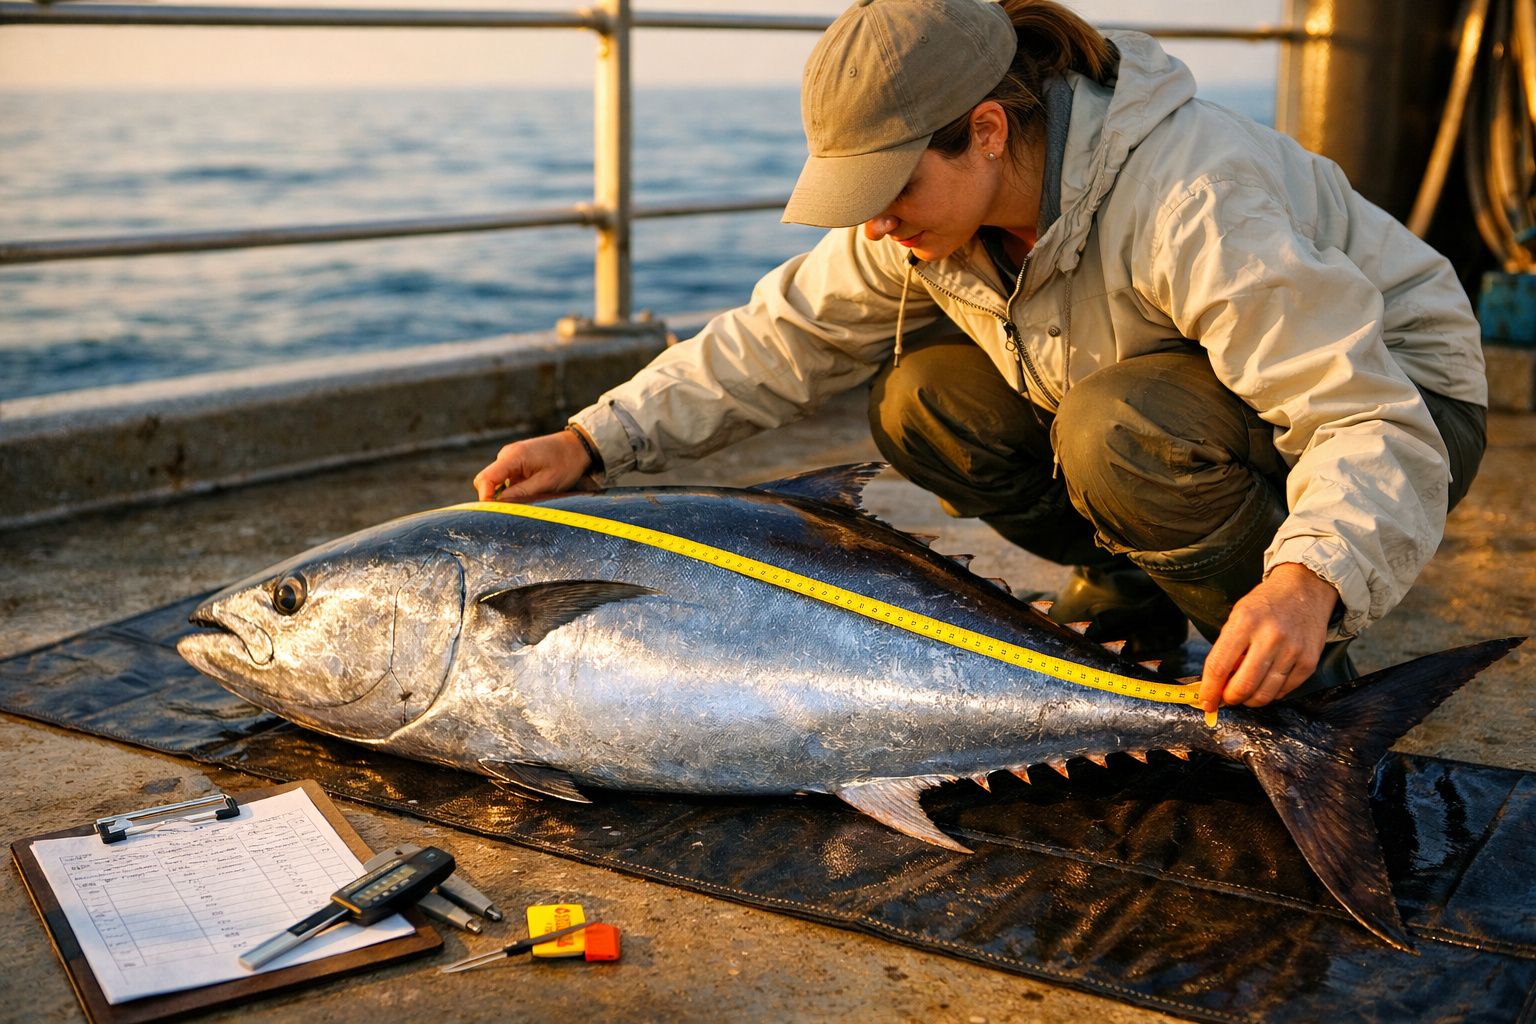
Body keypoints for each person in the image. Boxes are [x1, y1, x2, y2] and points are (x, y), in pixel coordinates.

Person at [473, 0, 1488, 715]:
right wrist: (589, 441)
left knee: (1115, 432)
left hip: (1404, 402)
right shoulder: (928, 222)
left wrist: (1311, 580)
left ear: (988, 131)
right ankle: (1133, 585)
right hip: (1195, 404)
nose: (872, 226)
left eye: (888, 189)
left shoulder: (1191, 196)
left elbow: (1360, 415)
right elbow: (778, 334)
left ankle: (1289, 677)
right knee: (922, 397)